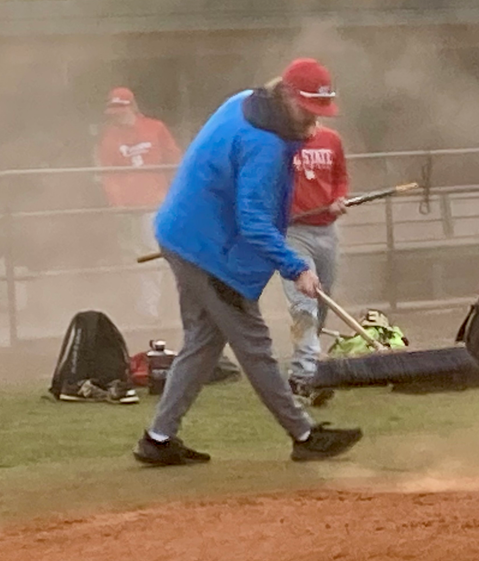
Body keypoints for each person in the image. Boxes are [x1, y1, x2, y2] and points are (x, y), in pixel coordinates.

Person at [132, 58, 363, 466]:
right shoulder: (266, 145)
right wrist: (297, 267)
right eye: (308, 111)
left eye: (320, 113)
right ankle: (304, 434)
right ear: (288, 96)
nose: (314, 123)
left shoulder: (245, 102)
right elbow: (254, 223)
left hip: (182, 234)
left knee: (202, 342)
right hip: (210, 251)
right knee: (254, 345)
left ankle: (158, 438)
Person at [96, 87, 182, 322]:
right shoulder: (110, 137)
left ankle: (150, 310)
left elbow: (173, 159)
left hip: (154, 202)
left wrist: (175, 194)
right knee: (131, 256)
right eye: (114, 110)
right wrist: (117, 202)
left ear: (132, 106)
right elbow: (108, 174)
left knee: (150, 252)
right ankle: (144, 307)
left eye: (121, 108)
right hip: (126, 206)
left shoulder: (155, 128)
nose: (117, 114)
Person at [284, 122, 349, 406]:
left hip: (327, 230)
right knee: (305, 303)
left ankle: (302, 367)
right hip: (293, 232)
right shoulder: (279, 142)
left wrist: (338, 199)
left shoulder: (331, 138)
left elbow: (340, 177)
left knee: (323, 301)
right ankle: (306, 375)